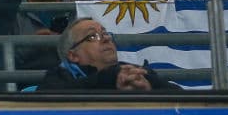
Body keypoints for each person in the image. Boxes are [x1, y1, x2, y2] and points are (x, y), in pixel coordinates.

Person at [38, 18, 180, 91]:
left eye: (105, 33)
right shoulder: (57, 79)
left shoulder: (131, 72)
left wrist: (148, 88)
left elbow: (179, 95)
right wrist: (111, 78)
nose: (106, 38)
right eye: (92, 36)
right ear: (73, 55)